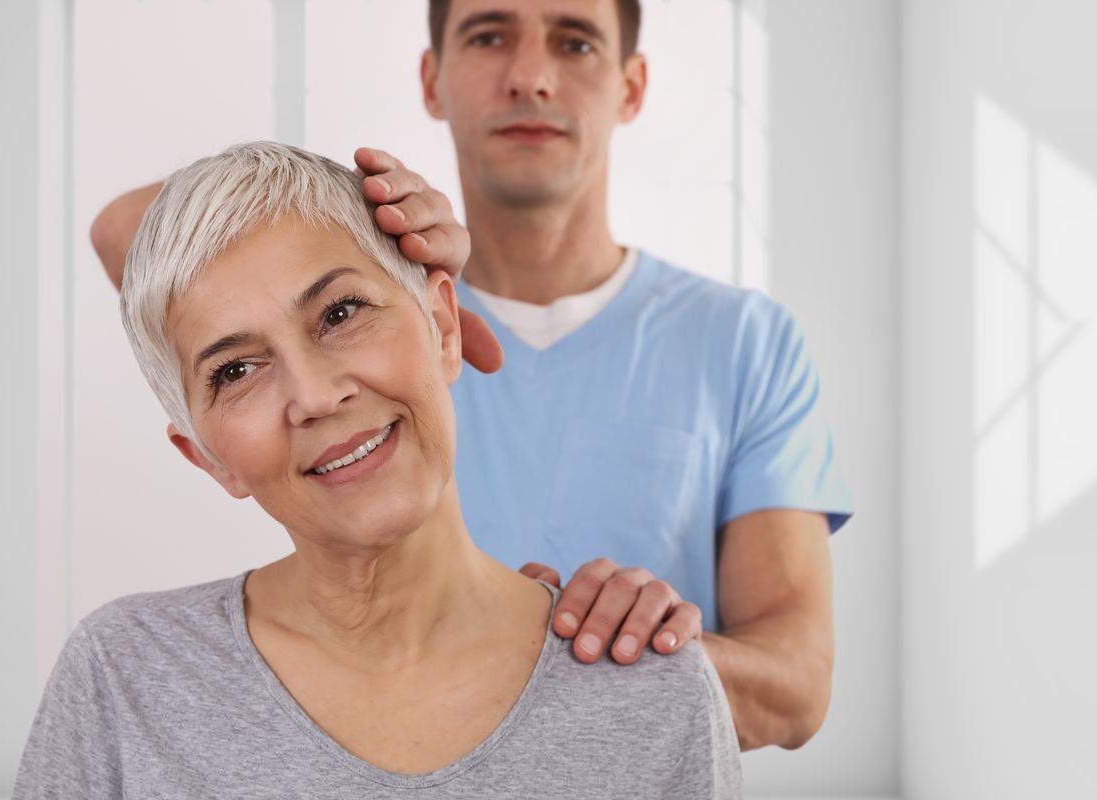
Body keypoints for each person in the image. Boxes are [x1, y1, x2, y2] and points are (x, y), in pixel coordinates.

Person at [92, 0, 852, 751]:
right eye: (488, 36)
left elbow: (796, 689)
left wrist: (599, 666)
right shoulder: (373, 318)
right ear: (433, 79)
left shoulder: (744, 341)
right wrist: (359, 206)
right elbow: (125, 234)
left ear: (631, 85)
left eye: (576, 42)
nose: (529, 77)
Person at [14, 141, 743, 798]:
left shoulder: (653, 693)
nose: (314, 395)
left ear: (445, 327)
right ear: (205, 457)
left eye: (341, 313)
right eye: (235, 369)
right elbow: (118, 230)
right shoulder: (124, 677)